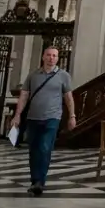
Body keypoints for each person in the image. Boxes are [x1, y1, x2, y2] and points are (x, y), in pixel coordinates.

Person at [10, 46, 75, 196]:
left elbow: (68, 98)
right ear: (43, 57)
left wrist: (72, 116)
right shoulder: (33, 75)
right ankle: (35, 181)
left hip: (52, 117)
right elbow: (24, 96)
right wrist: (17, 115)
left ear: (57, 58)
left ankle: (40, 181)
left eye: (54, 56)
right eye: (49, 55)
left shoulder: (63, 76)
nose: (51, 58)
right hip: (33, 117)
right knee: (33, 150)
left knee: (45, 148)